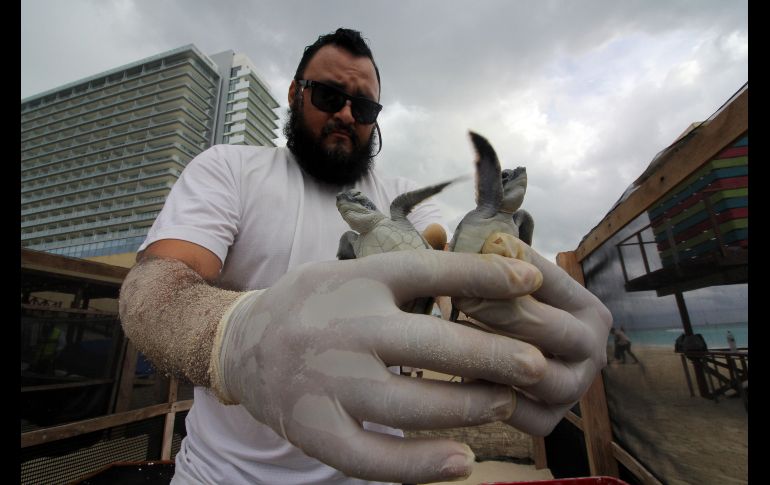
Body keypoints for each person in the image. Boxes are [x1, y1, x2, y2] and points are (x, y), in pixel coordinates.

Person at [118, 28, 613, 485]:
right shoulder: (229, 169)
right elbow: (153, 290)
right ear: (294, 93)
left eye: (365, 108)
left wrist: (527, 318)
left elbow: (450, 269)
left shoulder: (400, 196)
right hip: (221, 475)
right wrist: (234, 339)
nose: (347, 116)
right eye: (329, 96)